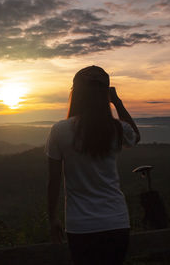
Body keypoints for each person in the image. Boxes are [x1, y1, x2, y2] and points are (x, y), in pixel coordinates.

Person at [45, 65, 141, 265]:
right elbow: (135, 136)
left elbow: (54, 180)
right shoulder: (115, 128)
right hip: (117, 221)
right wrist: (117, 102)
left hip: (81, 225)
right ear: (105, 94)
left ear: (76, 94)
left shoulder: (60, 130)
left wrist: (52, 218)